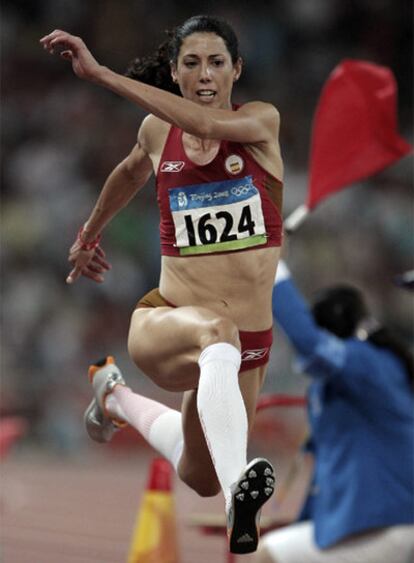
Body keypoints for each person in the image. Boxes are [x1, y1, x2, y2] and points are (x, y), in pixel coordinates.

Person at [40, 15, 283, 554]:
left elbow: (209, 125)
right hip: (167, 322)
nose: (204, 74)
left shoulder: (261, 122)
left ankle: (115, 398)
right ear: (173, 72)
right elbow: (130, 172)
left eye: (216, 63)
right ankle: (236, 504)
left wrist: (104, 76)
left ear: (236, 70)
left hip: (245, 347)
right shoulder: (157, 132)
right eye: (191, 63)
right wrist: (88, 235)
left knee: (199, 471)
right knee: (217, 332)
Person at [255, 259, 414, 563]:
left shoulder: (365, 363)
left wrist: (271, 265)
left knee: (269, 555)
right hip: (370, 523)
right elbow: (323, 477)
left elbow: (309, 343)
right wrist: (304, 524)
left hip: (388, 524)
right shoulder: (342, 383)